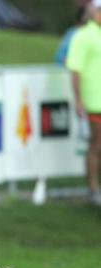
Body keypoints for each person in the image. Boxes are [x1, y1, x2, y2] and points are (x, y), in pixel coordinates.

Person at [67, 0, 101, 206]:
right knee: (96, 146)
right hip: (94, 101)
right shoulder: (83, 36)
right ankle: (93, 189)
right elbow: (75, 70)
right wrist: (78, 99)